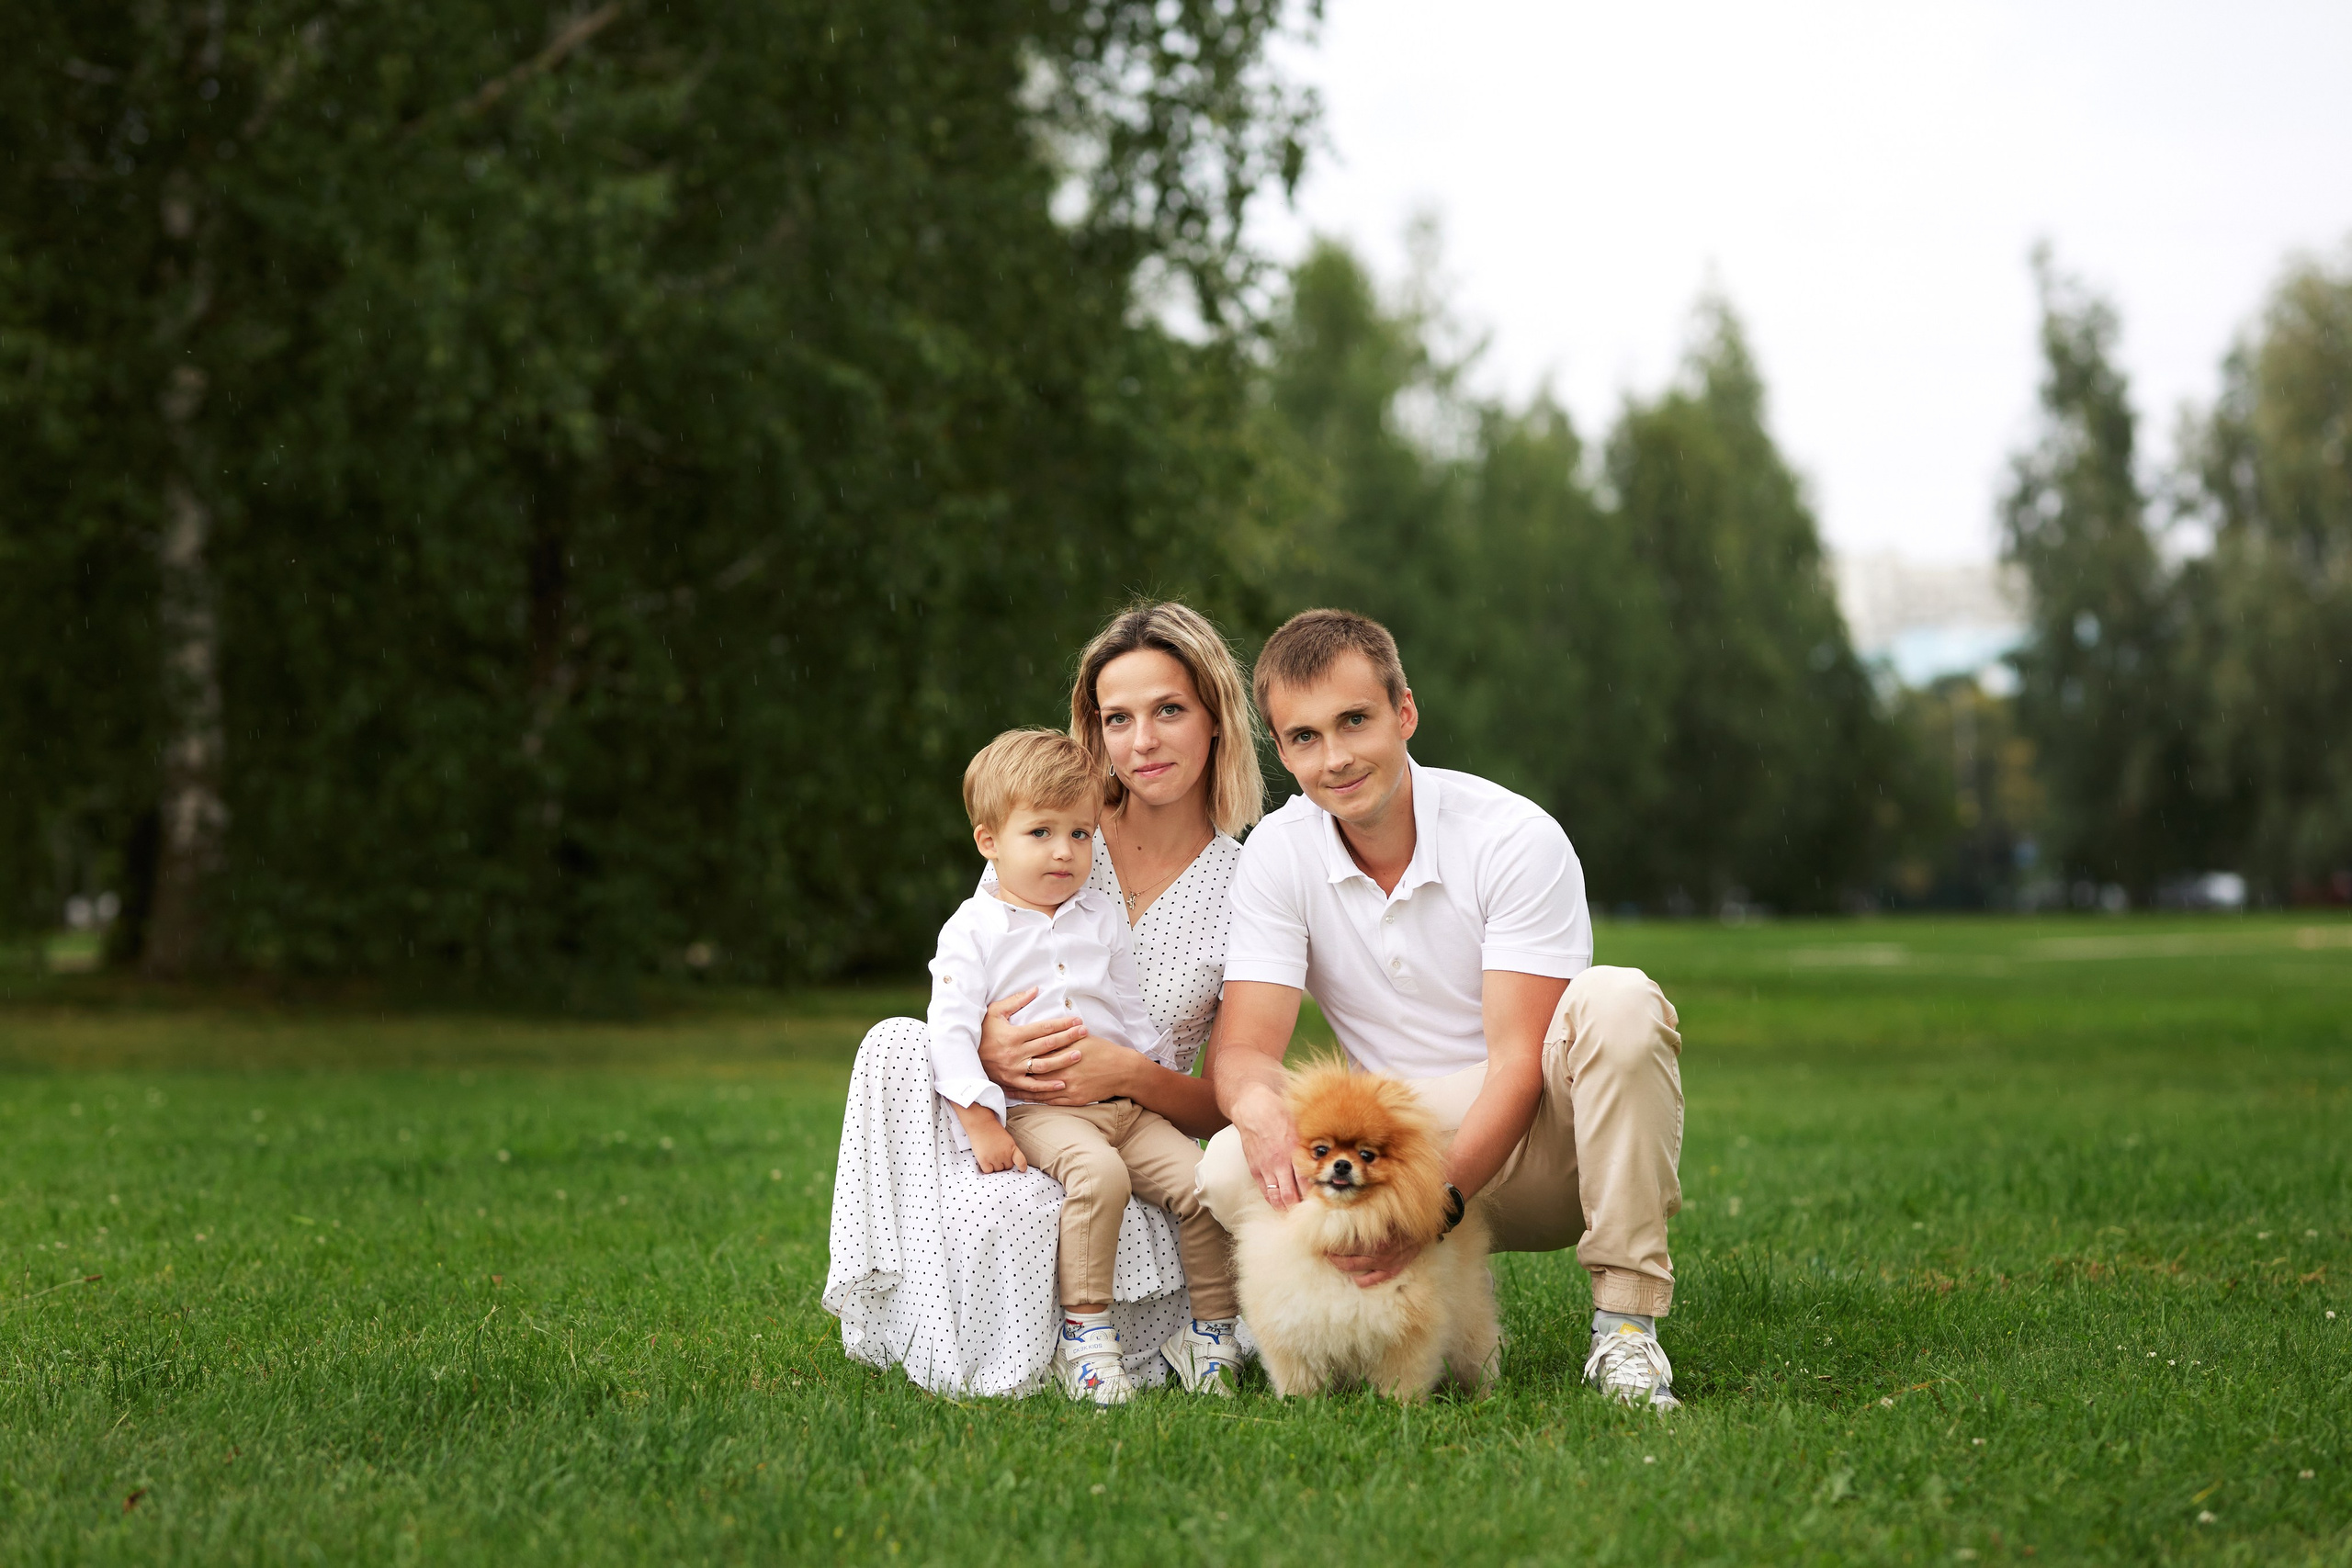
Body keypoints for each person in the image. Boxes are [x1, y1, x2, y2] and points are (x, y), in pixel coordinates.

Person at [1197, 608, 1689, 1409]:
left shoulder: (1511, 836)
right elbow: (1246, 1051)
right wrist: (1256, 1110)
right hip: (1389, 1149)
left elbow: (1519, 1063)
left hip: (1547, 1144)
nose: (1336, 757)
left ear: (1405, 711)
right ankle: (1348, 1322)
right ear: (1282, 751)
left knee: (1620, 1002)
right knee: (1226, 1165)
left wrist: (1434, 1207)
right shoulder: (1278, 852)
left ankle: (1626, 1329)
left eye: (1355, 720)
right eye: (1305, 737)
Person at [826, 601, 1263, 1397]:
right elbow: (969, 987)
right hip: (1021, 1120)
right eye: (1117, 718)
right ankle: (1046, 1332)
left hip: (1141, 1128)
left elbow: (1224, 1104)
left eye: (1169, 710)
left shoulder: (1248, 885)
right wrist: (988, 1052)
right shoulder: (1048, 828)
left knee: (1164, 1191)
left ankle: (1201, 1334)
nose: (1142, 740)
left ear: (1215, 718)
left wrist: (1125, 1071)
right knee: (901, 1049)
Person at [926, 728, 1241, 1404]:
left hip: (1127, 1109)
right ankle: (1089, 1340)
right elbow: (949, 1032)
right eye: (1040, 833)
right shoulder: (972, 929)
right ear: (989, 842)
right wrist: (981, 1122)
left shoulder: (1098, 914)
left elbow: (1129, 1010)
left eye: (1079, 833)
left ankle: (1211, 1333)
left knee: (1206, 1182)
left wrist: (1149, 1077)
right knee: (1099, 1176)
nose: (1064, 851)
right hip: (1041, 1110)